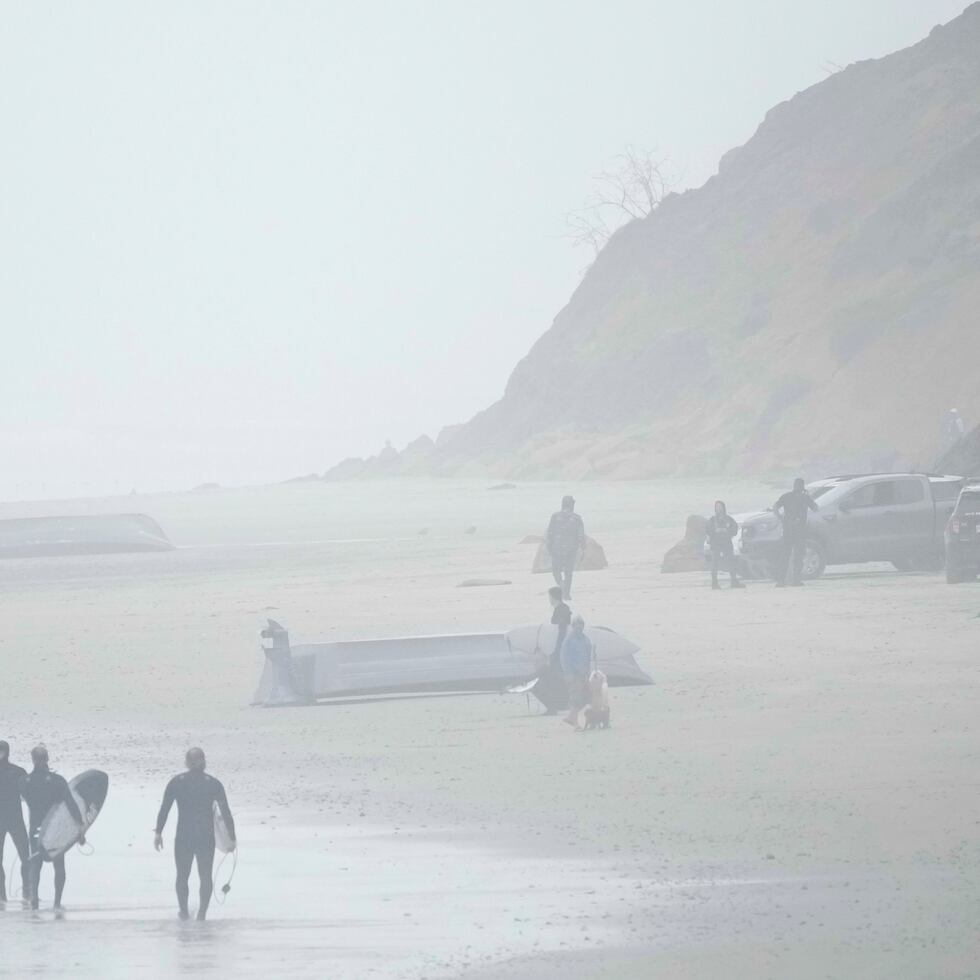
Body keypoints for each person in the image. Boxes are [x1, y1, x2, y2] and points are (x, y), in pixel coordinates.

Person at [155, 748, 236, 921]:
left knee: (182, 876)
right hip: (205, 836)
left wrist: (158, 832)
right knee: (205, 875)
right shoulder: (213, 783)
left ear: (186, 762)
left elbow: (165, 809)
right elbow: (225, 812)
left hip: (184, 835)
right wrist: (232, 837)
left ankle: (184, 912)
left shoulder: (177, 782)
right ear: (203, 761)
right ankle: (202, 914)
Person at [20, 745, 84, 911]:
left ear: (32, 759)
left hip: (35, 828)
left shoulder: (25, 782)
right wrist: (80, 828)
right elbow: (71, 805)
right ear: (47, 759)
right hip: (55, 829)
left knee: (36, 863)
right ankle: (57, 902)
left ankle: (34, 899)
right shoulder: (58, 781)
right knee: (59, 864)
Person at [0, 740, 31, 903]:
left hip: (15, 819)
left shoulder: (18, 772)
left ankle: (27, 892)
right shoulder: (18, 772)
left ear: (7, 752)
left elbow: (29, 795)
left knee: (26, 856)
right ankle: (1, 896)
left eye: (1, 750)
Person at [533, 587, 572, 714]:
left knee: (556, 677)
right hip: (560, 648)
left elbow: (561, 631)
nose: (549, 599)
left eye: (549, 597)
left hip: (560, 649)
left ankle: (559, 705)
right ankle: (557, 705)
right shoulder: (562, 609)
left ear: (553, 597)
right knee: (556, 676)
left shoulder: (562, 610)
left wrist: (557, 651)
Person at [773, 478, 817, 587]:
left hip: (788, 529)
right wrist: (808, 495)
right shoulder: (805, 497)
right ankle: (796, 580)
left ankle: (781, 581)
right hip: (800, 530)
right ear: (802, 486)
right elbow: (815, 508)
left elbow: (775, 506)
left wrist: (780, 517)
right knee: (798, 555)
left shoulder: (786, 496)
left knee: (785, 555)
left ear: (794, 486)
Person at [545, 495, 586, 600]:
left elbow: (550, 533)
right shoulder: (577, 518)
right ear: (572, 505)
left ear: (562, 504)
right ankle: (566, 593)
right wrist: (583, 549)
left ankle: (561, 586)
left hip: (556, 549)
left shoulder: (555, 516)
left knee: (556, 571)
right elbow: (581, 536)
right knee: (568, 573)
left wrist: (549, 547)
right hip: (571, 550)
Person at [560, 615, 593, 731]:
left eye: (581, 626)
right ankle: (575, 723)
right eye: (576, 626)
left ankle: (571, 717)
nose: (579, 628)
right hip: (572, 674)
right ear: (572, 627)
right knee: (575, 697)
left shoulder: (586, 640)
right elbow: (564, 657)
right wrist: (568, 673)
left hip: (583, 674)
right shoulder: (568, 641)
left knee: (586, 697)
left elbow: (588, 658)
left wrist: (588, 674)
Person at [705, 501, 744, 590]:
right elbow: (708, 530)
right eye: (716, 506)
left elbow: (735, 529)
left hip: (726, 543)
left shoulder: (729, 519)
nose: (718, 508)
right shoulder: (712, 520)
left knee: (731, 562)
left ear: (723, 507)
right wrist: (715, 532)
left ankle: (734, 582)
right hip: (716, 543)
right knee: (715, 563)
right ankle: (714, 584)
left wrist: (727, 532)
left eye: (720, 506)